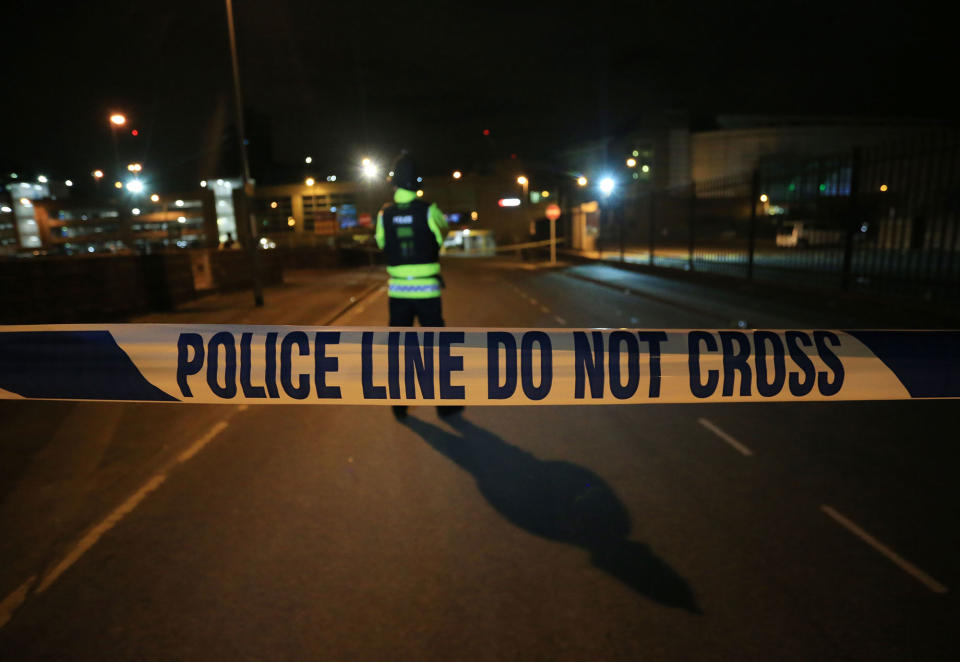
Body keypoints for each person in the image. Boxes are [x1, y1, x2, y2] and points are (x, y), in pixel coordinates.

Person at [375, 152, 462, 420]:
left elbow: (381, 243)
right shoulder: (429, 211)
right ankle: (445, 406)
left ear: (394, 183)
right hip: (427, 293)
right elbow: (443, 233)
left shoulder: (384, 215)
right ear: (417, 183)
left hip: (398, 293)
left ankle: (399, 407)